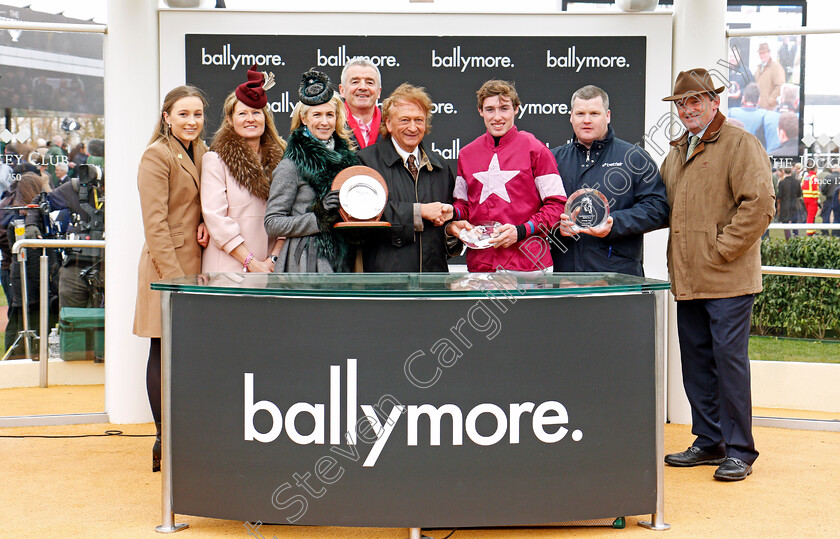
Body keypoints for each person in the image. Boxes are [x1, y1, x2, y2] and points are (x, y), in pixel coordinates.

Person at [660, 68, 775, 481]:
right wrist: (609, 218)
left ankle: (740, 450)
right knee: (697, 364)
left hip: (727, 280)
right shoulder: (676, 151)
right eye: (681, 104)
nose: (688, 109)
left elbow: (760, 204)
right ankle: (710, 442)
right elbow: (658, 206)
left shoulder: (740, 143)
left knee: (729, 365)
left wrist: (720, 250)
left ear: (714, 102)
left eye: (695, 101)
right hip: (688, 281)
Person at [134, 85, 210, 472]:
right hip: (168, 269)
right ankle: (163, 438)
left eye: (197, 114)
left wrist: (206, 226)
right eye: (183, 114)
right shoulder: (156, 155)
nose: (192, 121)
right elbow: (155, 225)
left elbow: (200, 204)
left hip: (197, 266)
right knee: (162, 351)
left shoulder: (201, 152)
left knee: (188, 354)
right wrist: (174, 280)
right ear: (166, 117)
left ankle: (187, 435)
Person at [447, 80, 565, 274]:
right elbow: (464, 206)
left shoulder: (536, 149)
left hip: (528, 266)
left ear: (516, 109)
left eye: (504, 108)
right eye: (490, 109)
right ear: (480, 111)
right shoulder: (467, 154)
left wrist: (521, 230)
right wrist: (451, 213)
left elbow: (557, 206)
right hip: (481, 266)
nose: (497, 117)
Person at [549, 85, 668, 276]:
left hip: (619, 276)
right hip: (566, 276)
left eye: (594, 113)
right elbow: (538, 211)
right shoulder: (552, 160)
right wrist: (556, 224)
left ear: (608, 115)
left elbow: (658, 208)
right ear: (571, 116)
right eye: (580, 114)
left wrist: (615, 224)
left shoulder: (634, 157)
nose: (586, 120)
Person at [264, 70, 358, 273]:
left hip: (345, 256)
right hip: (307, 261)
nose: (324, 122)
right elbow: (272, 223)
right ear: (304, 119)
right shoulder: (292, 164)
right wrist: (317, 218)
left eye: (329, 115)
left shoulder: (349, 160)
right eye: (317, 115)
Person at [356, 83, 455, 272]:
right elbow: (362, 217)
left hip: (432, 284)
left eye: (419, 120)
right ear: (389, 123)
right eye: (404, 120)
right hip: (387, 285)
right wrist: (419, 212)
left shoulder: (440, 167)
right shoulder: (364, 162)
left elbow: (443, 225)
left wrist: (453, 230)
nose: (413, 127)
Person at [201, 66, 286, 273]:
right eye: (242, 113)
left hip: (270, 269)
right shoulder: (215, 160)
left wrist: (272, 259)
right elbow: (216, 219)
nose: (250, 119)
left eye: (256, 112)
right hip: (229, 269)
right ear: (230, 120)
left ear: (265, 117)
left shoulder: (284, 161)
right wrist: (252, 263)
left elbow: (288, 217)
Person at [24, 163, 105, 311]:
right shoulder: (75, 188)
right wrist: (31, 225)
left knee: (107, 323)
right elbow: (41, 202)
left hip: (110, 267)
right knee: (70, 322)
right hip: (75, 265)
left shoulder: (126, 192)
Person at [339, 57, 382, 150]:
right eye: (355, 82)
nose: (363, 87)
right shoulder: (332, 124)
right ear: (342, 90)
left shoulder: (391, 125)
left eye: (370, 82)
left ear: (379, 92)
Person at [754, 42, 785, 111]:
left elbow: (780, 86)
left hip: (770, 109)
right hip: (759, 108)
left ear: (769, 53)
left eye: (764, 53)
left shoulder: (776, 67)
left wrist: (771, 101)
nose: (762, 55)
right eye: (760, 53)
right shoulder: (758, 69)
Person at [776, 167, 803, 240]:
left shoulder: (782, 182)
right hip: (794, 204)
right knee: (795, 224)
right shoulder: (797, 182)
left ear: (784, 172)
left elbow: (779, 195)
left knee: (786, 226)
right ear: (791, 172)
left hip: (785, 205)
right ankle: (796, 239)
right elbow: (799, 194)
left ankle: (788, 240)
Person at [820, 166, 840, 237]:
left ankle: (825, 231)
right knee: (837, 216)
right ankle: (836, 232)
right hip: (838, 199)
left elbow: (822, 187)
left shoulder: (828, 177)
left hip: (829, 198)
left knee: (826, 215)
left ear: (832, 169)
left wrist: (825, 193)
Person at [801, 165, 820, 235]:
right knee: (811, 215)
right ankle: (810, 232)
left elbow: (802, 187)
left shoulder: (806, 177)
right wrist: (816, 199)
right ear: (814, 169)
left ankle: (812, 230)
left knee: (809, 215)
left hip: (806, 198)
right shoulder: (814, 177)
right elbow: (815, 189)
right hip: (812, 199)